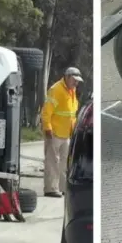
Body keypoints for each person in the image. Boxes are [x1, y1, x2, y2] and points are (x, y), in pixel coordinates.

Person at [41, 67, 82, 198]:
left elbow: (71, 112)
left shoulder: (72, 90)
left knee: (65, 163)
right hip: (54, 132)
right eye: (74, 80)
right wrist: (47, 128)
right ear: (67, 77)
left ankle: (63, 188)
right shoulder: (56, 89)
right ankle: (50, 189)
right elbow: (46, 111)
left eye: (77, 81)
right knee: (53, 162)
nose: (76, 83)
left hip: (67, 133)